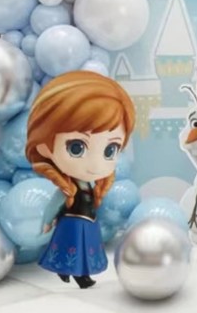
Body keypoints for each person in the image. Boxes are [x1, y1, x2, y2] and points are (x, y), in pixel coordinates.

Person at [26, 71, 135, 288]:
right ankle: (80, 277)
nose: (95, 165)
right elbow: (53, 205)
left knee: (80, 251)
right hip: (73, 223)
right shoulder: (67, 188)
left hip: (87, 223)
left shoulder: (90, 185)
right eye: (76, 147)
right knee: (72, 251)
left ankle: (70, 273)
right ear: (45, 147)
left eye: (110, 149)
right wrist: (47, 222)